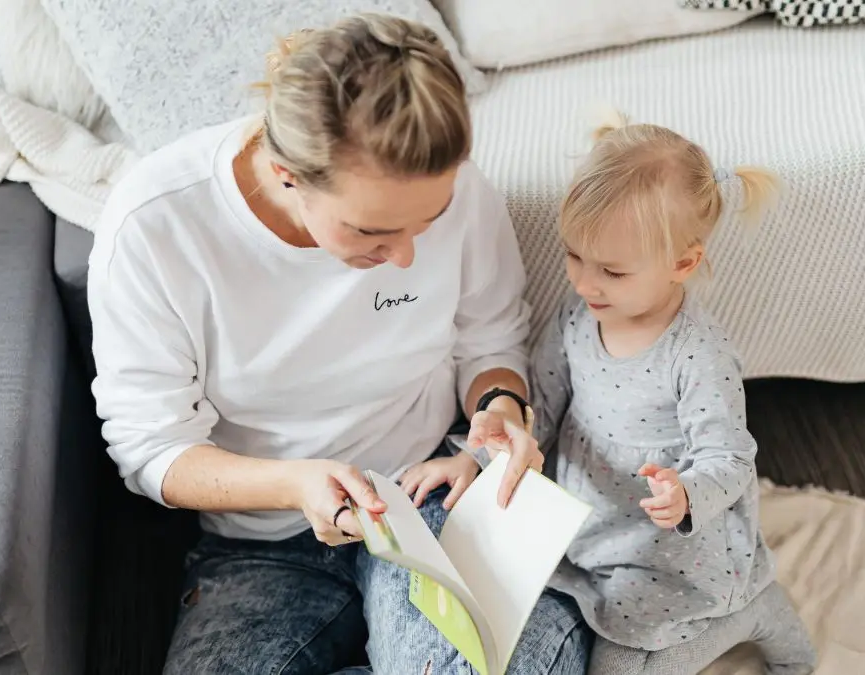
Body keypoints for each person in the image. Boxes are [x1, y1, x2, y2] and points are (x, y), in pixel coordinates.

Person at [86, 12, 591, 675]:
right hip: (259, 540)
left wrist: (498, 410)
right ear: (286, 172)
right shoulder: (157, 228)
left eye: (429, 221)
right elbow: (152, 448)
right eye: (373, 232)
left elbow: (491, 339)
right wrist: (297, 483)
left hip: (431, 493)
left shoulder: (458, 190)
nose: (408, 257)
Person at [526, 110, 817, 674]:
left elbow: (729, 458)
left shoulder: (696, 355)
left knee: (622, 656)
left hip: (674, 552)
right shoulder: (576, 315)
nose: (584, 282)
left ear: (682, 263)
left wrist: (685, 495)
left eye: (611, 270)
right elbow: (543, 397)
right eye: (574, 256)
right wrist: (508, 444)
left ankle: (747, 612)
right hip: (594, 526)